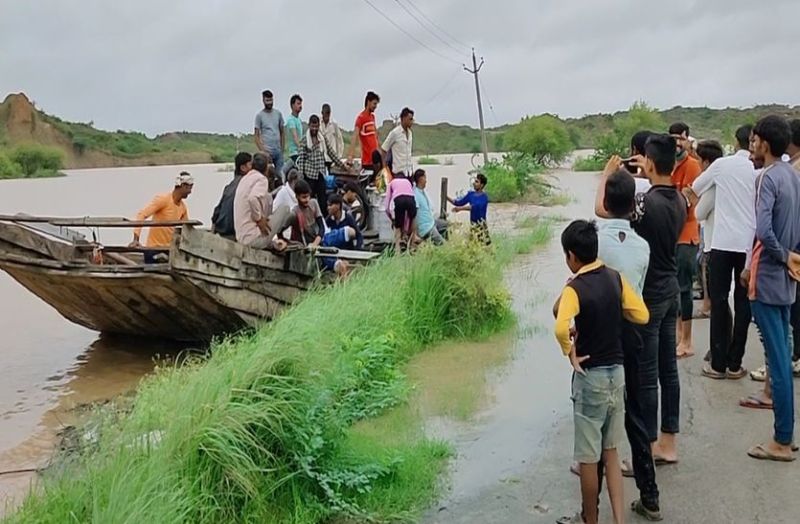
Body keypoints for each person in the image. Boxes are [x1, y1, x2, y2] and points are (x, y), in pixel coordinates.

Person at [595, 134, 686, 471]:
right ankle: (668, 442)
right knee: (668, 369)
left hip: (648, 293)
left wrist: (608, 174)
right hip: (671, 288)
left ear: (648, 162)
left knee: (646, 375)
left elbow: (604, 209)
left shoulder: (647, 202)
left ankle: (644, 450)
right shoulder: (678, 200)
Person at [554, 219, 649, 524]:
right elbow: (642, 315)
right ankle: (619, 520)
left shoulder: (574, 289)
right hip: (616, 374)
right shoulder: (615, 279)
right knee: (611, 452)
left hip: (591, 377)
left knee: (587, 458)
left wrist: (569, 352)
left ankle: (591, 519)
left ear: (571, 256)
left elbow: (560, 325)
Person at [743, 115, 800, 462]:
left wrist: (781, 256)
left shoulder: (767, 178)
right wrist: (793, 258)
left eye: (754, 140)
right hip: (788, 276)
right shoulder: (793, 175)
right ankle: (785, 434)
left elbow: (764, 230)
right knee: (782, 352)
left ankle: (781, 439)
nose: (753, 145)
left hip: (769, 275)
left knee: (777, 359)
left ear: (764, 142)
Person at [684, 128, 756, 378]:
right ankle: (736, 363)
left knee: (719, 299)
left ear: (736, 142)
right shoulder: (757, 167)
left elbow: (694, 189)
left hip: (722, 242)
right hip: (748, 243)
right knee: (744, 302)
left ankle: (718, 364)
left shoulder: (723, 165)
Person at [669, 122, 702, 360]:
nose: (677, 143)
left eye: (680, 139)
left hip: (688, 232)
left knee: (684, 288)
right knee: (675, 288)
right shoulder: (670, 164)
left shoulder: (692, 166)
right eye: (673, 139)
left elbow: (687, 200)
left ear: (687, 140)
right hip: (672, 233)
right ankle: (679, 334)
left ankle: (688, 341)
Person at [688, 141, 726, 322]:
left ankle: (707, 306)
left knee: (707, 271)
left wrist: (694, 200)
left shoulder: (712, 185)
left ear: (706, 162)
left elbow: (700, 212)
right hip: (724, 236)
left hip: (712, 237)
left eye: (698, 160)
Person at [130, 172, 193, 262]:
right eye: (189, 188)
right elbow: (142, 215)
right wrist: (136, 239)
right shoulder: (163, 199)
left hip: (168, 250)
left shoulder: (182, 207)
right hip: (153, 249)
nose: (190, 192)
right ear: (183, 186)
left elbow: (187, 229)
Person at [296, 114, 351, 210]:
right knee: (309, 201)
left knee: (322, 201)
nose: (314, 129)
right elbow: (301, 159)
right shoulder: (305, 140)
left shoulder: (322, 138)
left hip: (320, 173)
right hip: (309, 175)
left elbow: (331, 153)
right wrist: (301, 178)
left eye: (316, 126)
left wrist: (342, 165)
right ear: (309, 126)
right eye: (312, 126)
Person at [232, 153, 284, 251]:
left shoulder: (245, 178)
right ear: (266, 168)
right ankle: (278, 238)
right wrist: (259, 219)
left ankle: (274, 240)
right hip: (253, 239)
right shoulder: (262, 179)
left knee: (268, 198)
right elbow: (252, 198)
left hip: (241, 237)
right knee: (285, 209)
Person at [211, 152, 252, 239]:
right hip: (233, 231)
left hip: (221, 230)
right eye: (251, 165)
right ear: (243, 168)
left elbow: (216, 213)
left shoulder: (229, 186)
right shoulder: (247, 184)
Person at [274, 179, 325, 248]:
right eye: (303, 197)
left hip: (315, 243)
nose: (307, 200)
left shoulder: (313, 203)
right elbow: (279, 231)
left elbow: (321, 227)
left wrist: (315, 243)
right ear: (297, 197)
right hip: (301, 247)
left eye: (308, 196)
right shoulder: (294, 213)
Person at [448, 174, 490, 245]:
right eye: (474, 181)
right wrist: (446, 197)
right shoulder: (471, 195)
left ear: (481, 185)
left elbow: (475, 207)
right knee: (472, 245)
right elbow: (458, 202)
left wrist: (460, 209)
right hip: (473, 225)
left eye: (477, 182)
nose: (474, 183)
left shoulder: (484, 197)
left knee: (485, 246)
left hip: (481, 225)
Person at [348, 91, 380, 174]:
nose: (375, 107)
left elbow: (375, 136)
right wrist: (350, 156)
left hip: (376, 161)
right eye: (374, 104)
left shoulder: (372, 117)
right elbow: (354, 137)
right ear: (368, 102)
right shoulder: (360, 118)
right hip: (367, 161)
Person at [384, 172, 418, 252]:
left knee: (398, 227)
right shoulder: (408, 182)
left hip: (398, 199)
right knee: (412, 218)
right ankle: (413, 242)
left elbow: (386, 206)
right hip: (411, 200)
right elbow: (408, 216)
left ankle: (397, 250)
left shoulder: (391, 183)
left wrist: (392, 219)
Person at [254, 90, 285, 176]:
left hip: (278, 151)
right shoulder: (259, 116)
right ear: (263, 100)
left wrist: (282, 149)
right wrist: (263, 151)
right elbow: (256, 136)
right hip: (267, 151)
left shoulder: (278, 114)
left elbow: (282, 132)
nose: (269, 103)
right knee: (267, 176)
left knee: (280, 175)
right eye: (267, 100)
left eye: (271, 100)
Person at [413, 169, 445, 245]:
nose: (426, 181)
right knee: (442, 243)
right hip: (426, 227)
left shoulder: (423, 192)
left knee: (448, 225)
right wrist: (416, 233)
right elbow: (415, 214)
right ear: (420, 179)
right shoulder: (415, 194)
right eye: (425, 178)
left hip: (431, 221)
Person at [381, 107, 414, 177]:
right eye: (410, 119)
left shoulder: (410, 133)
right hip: (398, 173)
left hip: (409, 172)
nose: (412, 121)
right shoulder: (395, 133)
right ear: (403, 119)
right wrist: (384, 169)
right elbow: (384, 149)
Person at [320, 103, 344, 168]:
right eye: (325, 113)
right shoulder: (319, 123)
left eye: (328, 113)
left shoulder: (334, 124)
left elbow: (339, 141)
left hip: (332, 157)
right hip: (322, 157)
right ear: (322, 113)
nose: (327, 115)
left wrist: (339, 156)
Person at [285, 94, 304, 163]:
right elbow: (295, 137)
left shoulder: (299, 120)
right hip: (294, 153)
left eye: (301, 104)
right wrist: (302, 149)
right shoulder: (291, 120)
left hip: (299, 152)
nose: (300, 106)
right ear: (292, 105)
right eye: (298, 104)